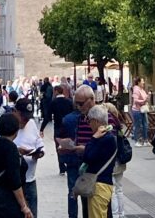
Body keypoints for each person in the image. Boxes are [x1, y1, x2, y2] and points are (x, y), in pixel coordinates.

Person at [57, 84, 95, 218]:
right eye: (78, 103)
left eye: (81, 103)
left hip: (77, 160)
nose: (79, 106)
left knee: (73, 191)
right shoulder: (85, 118)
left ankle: (72, 216)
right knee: (84, 192)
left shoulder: (69, 119)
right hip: (83, 161)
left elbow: (59, 137)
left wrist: (64, 146)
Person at [0, 111, 33, 218]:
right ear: (16, 130)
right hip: (9, 199)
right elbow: (14, 180)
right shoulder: (10, 148)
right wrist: (24, 206)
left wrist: (17, 151)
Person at [82, 104, 117, 218]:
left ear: (96, 121)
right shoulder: (109, 136)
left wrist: (93, 139)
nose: (89, 124)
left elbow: (87, 157)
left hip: (100, 186)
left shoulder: (104, 139)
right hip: (103, 184)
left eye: (90, 121)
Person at [12, 98, 44, 216]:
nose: (25, 121)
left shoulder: (31, 124)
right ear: (15, 111)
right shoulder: (6, 123)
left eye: (28, 118)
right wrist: (16, 151)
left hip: (30, 180)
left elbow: (38, 141)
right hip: (13, 183)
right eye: (23, 117)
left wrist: (39, 152)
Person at [106, 101, 132, 218]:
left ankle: (115, 214)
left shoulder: (109, 128)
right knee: (119, 189)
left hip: (112, 162)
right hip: (120, 161)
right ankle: (121, 213)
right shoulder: (119, 127)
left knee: (113, 191)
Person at [52, 84, 74, 175]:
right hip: (68, 126)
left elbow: (47, 116)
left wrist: (42, 129)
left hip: (58, 127)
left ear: (56, 91)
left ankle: (61, 167)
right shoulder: (69, 101)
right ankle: (69, 163)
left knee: (58, 147)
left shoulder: (53, 102)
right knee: (69, 144)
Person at [130, 77, 149, 145]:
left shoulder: (142, 90)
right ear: (138, 82)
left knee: (145, 125)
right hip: (137, 110)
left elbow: (145, 97)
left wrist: (147, 98)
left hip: (143, 110)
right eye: (142, 81)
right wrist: (144, 101)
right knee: (138, 125)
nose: (143, 82)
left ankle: (145, 140)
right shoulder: (136, 90)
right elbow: (135, 100)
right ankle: (137, 140)